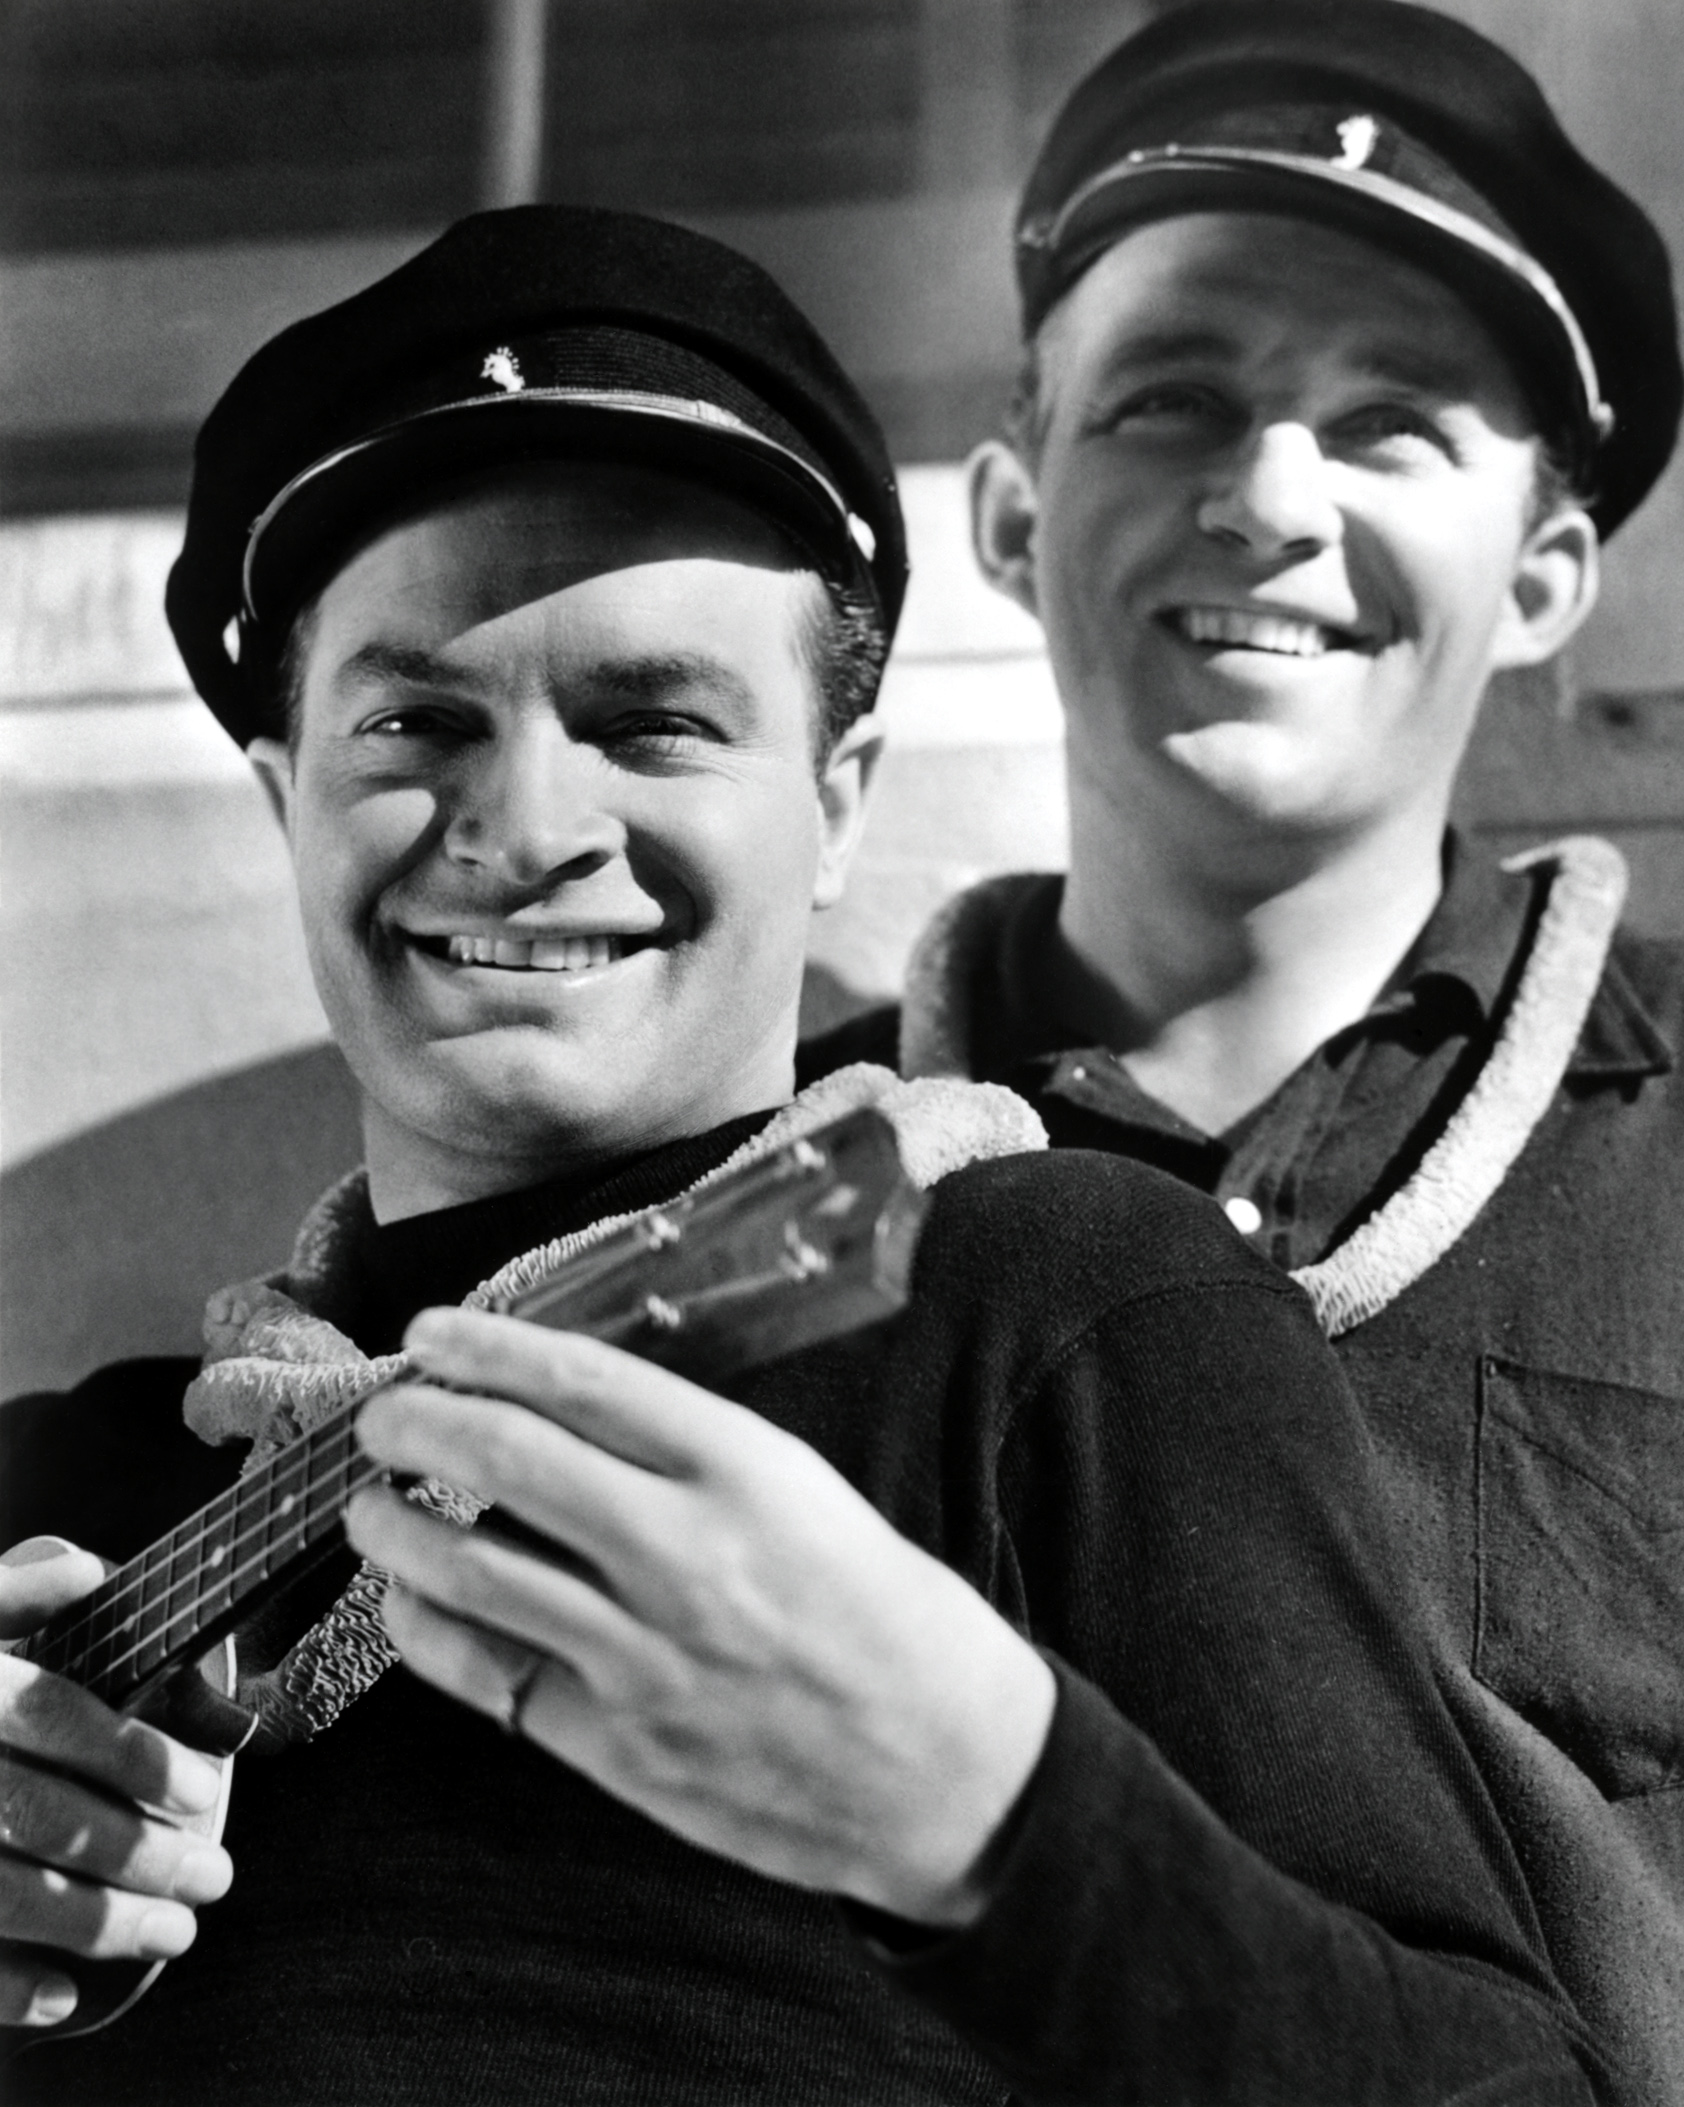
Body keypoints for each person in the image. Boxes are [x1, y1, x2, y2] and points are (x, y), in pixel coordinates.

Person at [0, 207, 1603, 2104]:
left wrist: (995, 1827)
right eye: (416, 721)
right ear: (288, 802)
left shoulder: (1052, 1305)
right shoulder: (59, 1487)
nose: (524, 827)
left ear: (837, 807)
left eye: (654, 724)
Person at [801, 6, 1684, 2104]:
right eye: (1174, 398)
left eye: (1390, 425)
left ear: (1544, 575)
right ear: (1011, 514)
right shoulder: (774, 1182)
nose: (1266, 498)